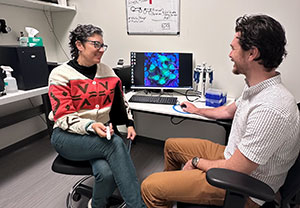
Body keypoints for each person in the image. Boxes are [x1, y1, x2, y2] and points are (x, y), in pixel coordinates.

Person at [141, 14, 300, 208]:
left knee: (149, 187)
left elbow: (236, 169)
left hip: (244, 186)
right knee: (172, 146)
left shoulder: (271, 108)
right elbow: (228, 111)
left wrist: (197, 162)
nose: (230, 54)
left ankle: (164, 192)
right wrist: (197, 110)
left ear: (252, 54)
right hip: (234, 158)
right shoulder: (259, 88)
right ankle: (173, 193)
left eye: (233, 48)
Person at [48, 24, 146, 208]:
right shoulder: (60, 74)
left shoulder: (107, 71)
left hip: (99, 135)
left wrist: (129, 123)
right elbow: (63, 116)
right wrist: (90, 126)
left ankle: (96, 204)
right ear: (79, 45)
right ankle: (137, 206)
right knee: (116, 143)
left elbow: (119, 103)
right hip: (67, 136)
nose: (101, 50)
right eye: (96, 44)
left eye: (103, 45)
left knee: (106, 172)